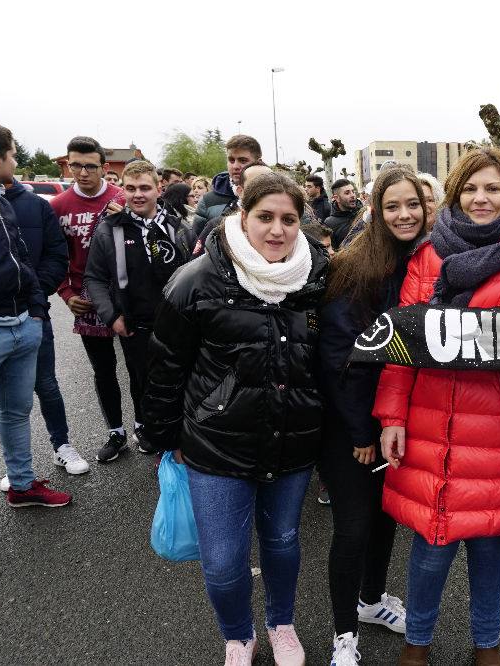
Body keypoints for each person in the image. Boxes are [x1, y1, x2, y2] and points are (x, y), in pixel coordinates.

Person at [141, 172, 329, 666]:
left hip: (293, 440)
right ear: (242, 217)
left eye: (289, 219)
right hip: (215, 445)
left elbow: (332, 362)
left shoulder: (318, 279)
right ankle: (238, 635)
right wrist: (164, 437)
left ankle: (281, 624)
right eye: (265, 217)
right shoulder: (196, 279)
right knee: (223, 561)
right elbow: (163, 368)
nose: (277, 230)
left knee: (283, 542)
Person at [376, 148, 500, 666]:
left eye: (492, 189)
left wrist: (450, 326)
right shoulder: (426, 257)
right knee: (430, 548)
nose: (481, 198)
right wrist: (392, 416)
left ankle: (487, 645)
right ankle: (417, 642)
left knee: (490, 548)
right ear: (454, 195)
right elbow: (402, 344)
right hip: (431, 422)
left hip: (494, 424)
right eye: (471, 189)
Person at [318, 166, 429, 665]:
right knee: (354, 526)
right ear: (375, 210)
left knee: (386, 520)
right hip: (352, 425)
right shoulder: (355, 265)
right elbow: (342, 355)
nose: (404, 215)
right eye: (393, 206)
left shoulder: (428, 260)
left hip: (397, 422)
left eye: (413, 205)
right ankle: (344, 634)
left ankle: (371, 602)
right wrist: (364, 429)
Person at [0, 122, 73, 508]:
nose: (17, 160)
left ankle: (22, 487)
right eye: (14, 153)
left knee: (15, 412)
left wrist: (36, 310)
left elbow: (21, 258)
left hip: (23, 322)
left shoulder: (2, 201)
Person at [83, 160, 196, 461]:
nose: (137, 194)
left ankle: (183, 439)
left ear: (159, 189)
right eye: (130, 188)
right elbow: (94, 277)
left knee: (182, 381)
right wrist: (111, 316)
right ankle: (152, 435)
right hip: (136, 326)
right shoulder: (109, 230)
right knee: (143, 384)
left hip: (178, 325)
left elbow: (198, 274)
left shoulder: (180, 228)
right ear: (122, 190)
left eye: (145, 187)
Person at [0, 173, 87, 490]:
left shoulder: (34, 205)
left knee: (45, 384)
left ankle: (62, 446)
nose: (15, 161)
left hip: (32, 316)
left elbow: (56, 254)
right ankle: (16, 467)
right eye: (11, 154)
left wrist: (33, 299)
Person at [50, 136, 133, 458]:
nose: (83, 173)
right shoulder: (58, 207)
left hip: (126, 294)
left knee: (139, 367)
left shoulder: (123, 199)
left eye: (90, 166)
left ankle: (143, 426)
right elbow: (53, 257)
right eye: (76, 166)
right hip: (85, 296)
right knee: (104, 368)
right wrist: (66, 292)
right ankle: (116, 432)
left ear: (103, 167)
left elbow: (147, 242)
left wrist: (124, 220)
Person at [193, 163, 272, 256]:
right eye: (256, 186)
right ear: (240, 192)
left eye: (271, 186)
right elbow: (196, 266)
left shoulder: (287, 226)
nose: (266, 192)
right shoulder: (218, 228)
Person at [192, 134, 263, 235]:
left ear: (258, 162)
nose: (235, 166)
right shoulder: (207, 201)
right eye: (231, 160)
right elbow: (196, 242)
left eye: (243, 160)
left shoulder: (276, 196)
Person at [324, 178, 363, 250]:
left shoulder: (365, 214)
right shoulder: (329, 223)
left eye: (353, 191)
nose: (353, 195)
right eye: (347, 193)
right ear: (337, 198)